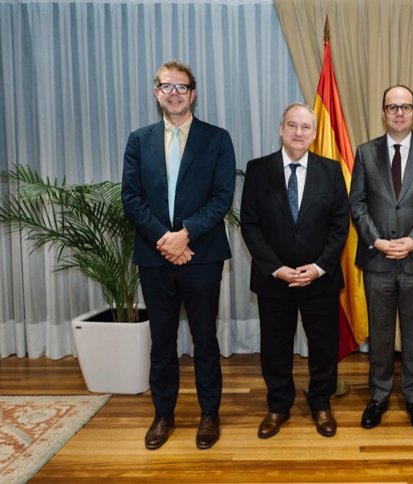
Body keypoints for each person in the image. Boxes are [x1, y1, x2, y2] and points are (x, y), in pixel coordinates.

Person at [121, 60, 236, 450]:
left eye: (181, 87)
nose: (173, 93)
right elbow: (131, 198)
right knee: (162, 339)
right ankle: (163, 415)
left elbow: (222, 197)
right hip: (155, 257)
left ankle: (209, 414)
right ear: (156, 92)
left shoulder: (217, 139)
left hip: (202, 255)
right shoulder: (139, 140)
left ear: (193, 93)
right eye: (166, 86)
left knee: (205, 338)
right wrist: (165, 239)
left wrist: (185, 234)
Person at [240, 103, 349, 439]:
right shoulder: (258, 170)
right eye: (292, 125)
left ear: (314, 134)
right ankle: (278, 406)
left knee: (323, 346)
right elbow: (250, 224)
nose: (299, 133)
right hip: (275, 281)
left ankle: (321, 404)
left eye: (305, 127)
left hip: (320, 280)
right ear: (281, 128)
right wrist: (276, 269)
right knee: (275, 346)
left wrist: (318, 268)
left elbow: (340, 224)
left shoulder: (331, 171)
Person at [349, 85, 413, 432]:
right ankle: (378, 397)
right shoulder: (365, 153)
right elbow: (357, 203)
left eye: (405, 106)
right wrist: (377, 241)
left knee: (412, 334)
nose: (399, 113)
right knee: (379, 335)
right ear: (384, 112)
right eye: (392, 107)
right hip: (377, 260)